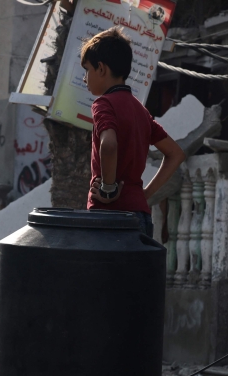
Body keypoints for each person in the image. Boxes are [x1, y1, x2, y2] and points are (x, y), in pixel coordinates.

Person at [80, 26, 185, 236]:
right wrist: (145, 194)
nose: (85, 78)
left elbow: (108, 145)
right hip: (140, 215)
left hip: (110, 217)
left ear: (101, 69)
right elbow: (175, 154)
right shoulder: (140, 110)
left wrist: (108, 190)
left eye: (87, 70)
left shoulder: (103, 104)